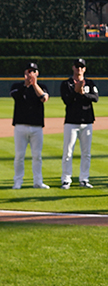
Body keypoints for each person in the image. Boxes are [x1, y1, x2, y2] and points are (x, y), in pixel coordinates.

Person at [60, 58, 99, 189]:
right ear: (73, 68)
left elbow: (95, 98)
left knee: (86, 153)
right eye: (77, 67)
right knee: (68, 152)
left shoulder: (90, 83)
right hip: (71, 122)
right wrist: (76, 91)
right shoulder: (66, 84)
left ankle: (84, 179)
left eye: (81, 67)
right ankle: (66, 179)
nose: (79, 69)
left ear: (85, 69)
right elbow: (66, 100)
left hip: (87, 121)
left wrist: (82, 93)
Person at [10, 62, 50, 190]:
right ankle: (18, 181)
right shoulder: (17, 86)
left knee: (37, 156)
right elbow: (15, 95)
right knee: (19, 156)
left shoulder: (41, 86)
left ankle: (38, 181)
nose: (30, 73)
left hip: (37, 127)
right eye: (28, 71)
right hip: (20, 126)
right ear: (25, 73)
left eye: (33, 71)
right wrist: (26, 85)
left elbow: (44, 98)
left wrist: (34, 84)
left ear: (37, 73)